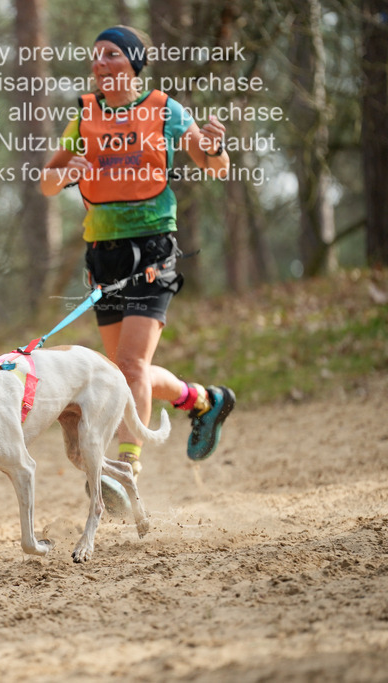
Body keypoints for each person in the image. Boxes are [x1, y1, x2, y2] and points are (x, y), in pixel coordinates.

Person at [39, 25, 235, 510]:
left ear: (133, 63)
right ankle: (203, 400)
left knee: (129, 368)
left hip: (152, 249)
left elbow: (216, 166)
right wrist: (66, 174)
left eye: (110, 54)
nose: (99, 63)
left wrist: (214, 147)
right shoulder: (84, 114)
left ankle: (125, 470)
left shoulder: (165, 109)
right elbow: (46, 182)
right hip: (102, 254)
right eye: (95, 56)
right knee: (125, 372)